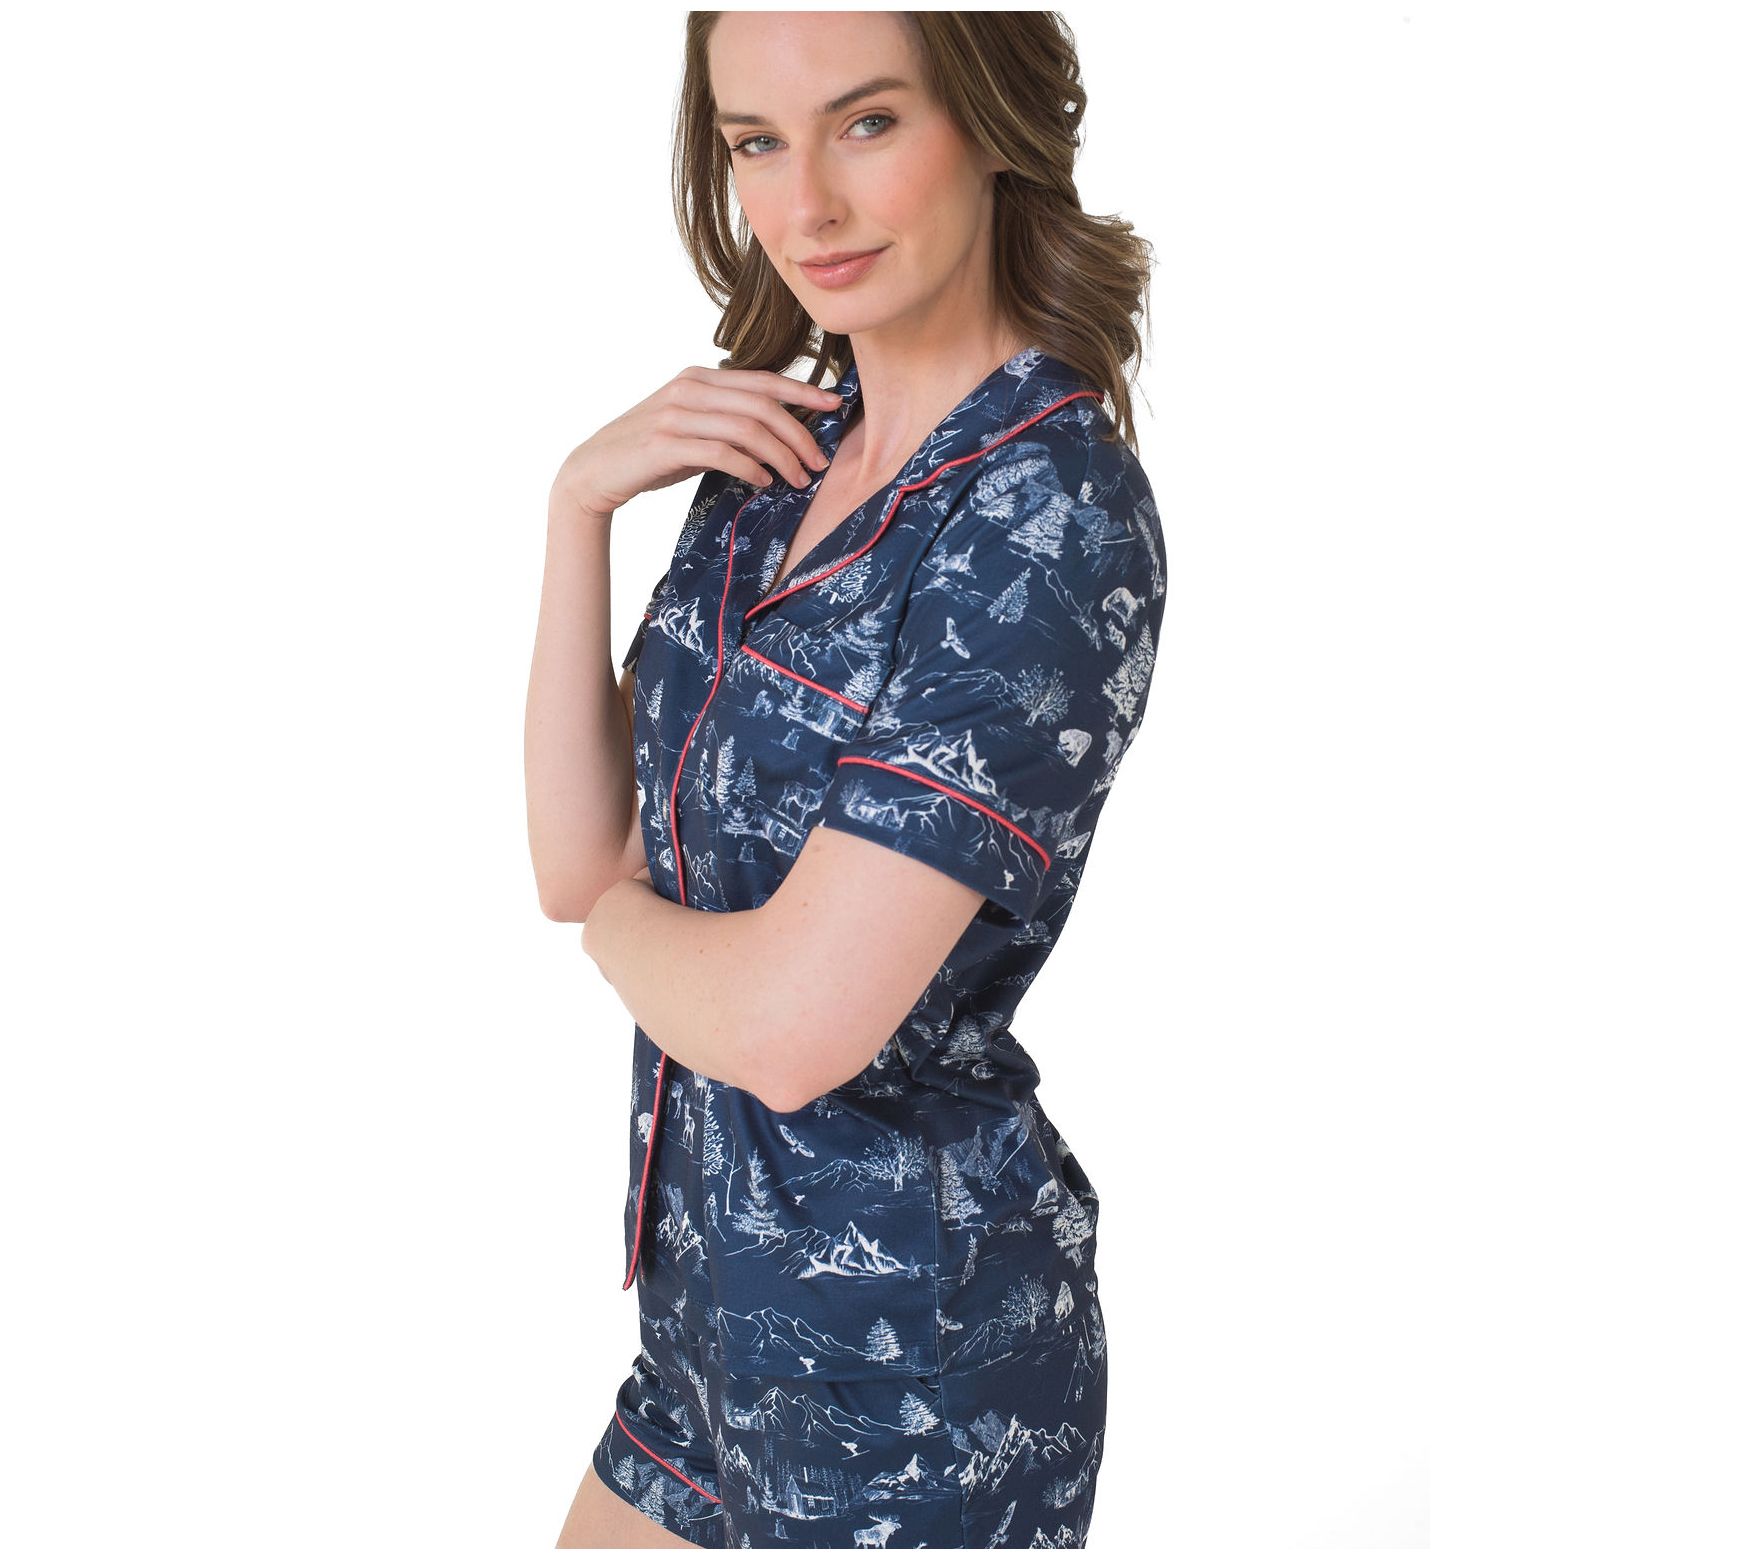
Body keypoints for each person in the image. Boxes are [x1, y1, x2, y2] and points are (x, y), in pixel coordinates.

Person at [531, 11, 1161, 1549]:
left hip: (910, 1394)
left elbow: (791, 1030)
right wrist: (578, 506)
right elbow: (575, 855)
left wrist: (617, 922)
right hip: (704, 1336)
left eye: (867, 123)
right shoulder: (778, 453)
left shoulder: (1047, 514)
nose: (804, 203)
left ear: (992, 119)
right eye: (757, 142)